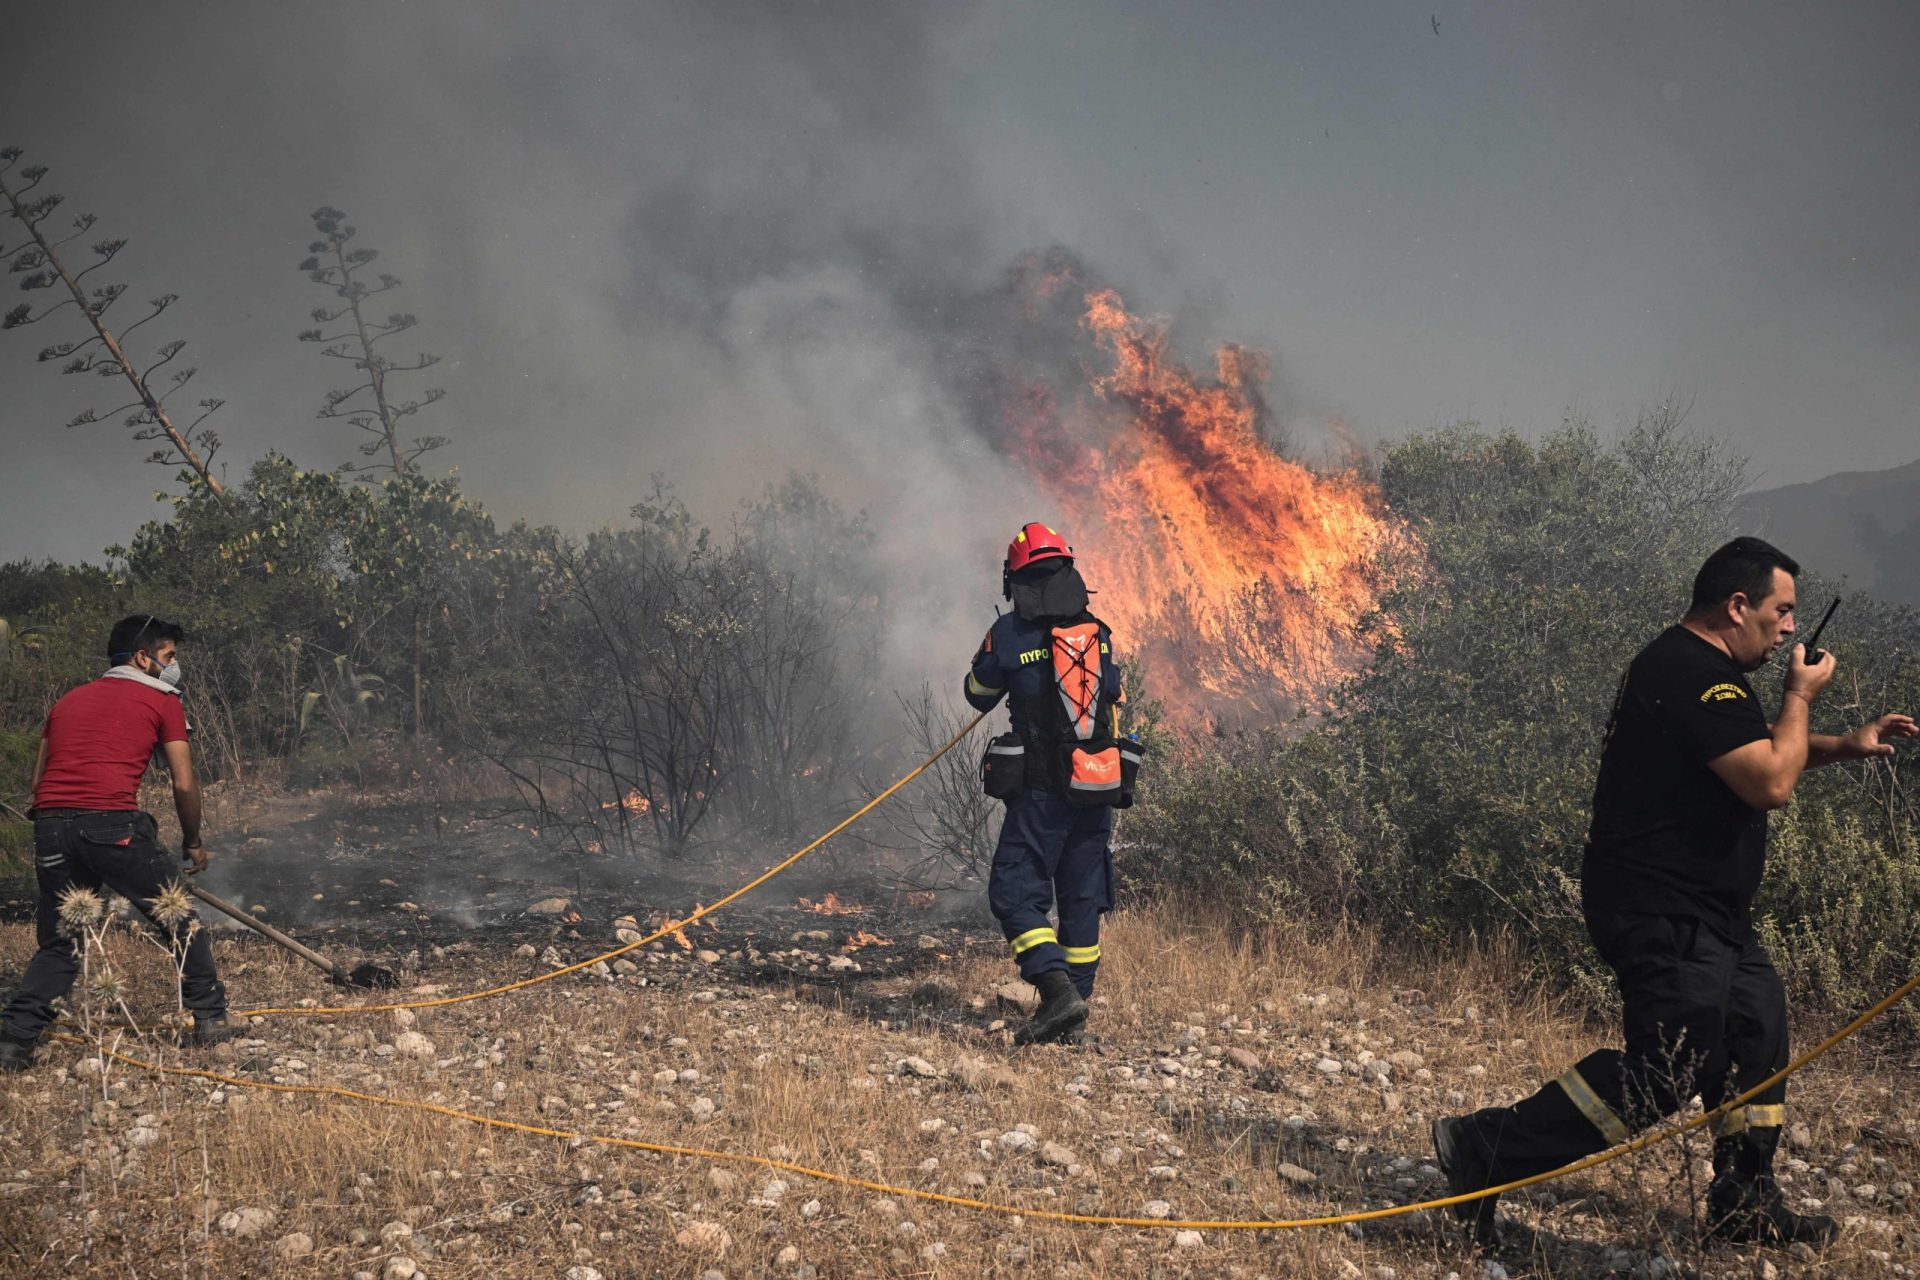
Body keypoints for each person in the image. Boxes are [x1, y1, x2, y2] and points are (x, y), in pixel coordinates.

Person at [1432, 538, 1917, 1246]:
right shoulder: (1692, 672)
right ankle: (1486, 1148)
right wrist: (1799, 696)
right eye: (1782, 612)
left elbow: (1754, 753)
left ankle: (1744, 1202)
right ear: (1737, 605)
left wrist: (1844, 742)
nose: (1789, 630)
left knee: (1756, 1028)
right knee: (1671, 1066)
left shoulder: (1701, 672)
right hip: (1661, 908)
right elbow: (1771, 782)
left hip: (1708, 912)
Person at [0, 614, 236, 1072]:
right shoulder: (163, 699)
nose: (174, 666)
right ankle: (211, 1021)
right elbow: (184, 784)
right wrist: (193, 841)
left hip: (50, 825)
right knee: (181, 921)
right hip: (111, 825)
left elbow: (38, 781)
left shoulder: (67, 701)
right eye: (169, 657)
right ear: (143, 658)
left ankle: (13, 1043)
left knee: (60, 941)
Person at [965, 522, 1133, 1046]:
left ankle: (1056, 991)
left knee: (1014, 891)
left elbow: (977, 693)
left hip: (1040, 792)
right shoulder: (1095, 633)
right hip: (1095, 784)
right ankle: (1075, 1019)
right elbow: (1112, 691)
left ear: (1014, 580)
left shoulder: (1009, 635)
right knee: (1082, 897)